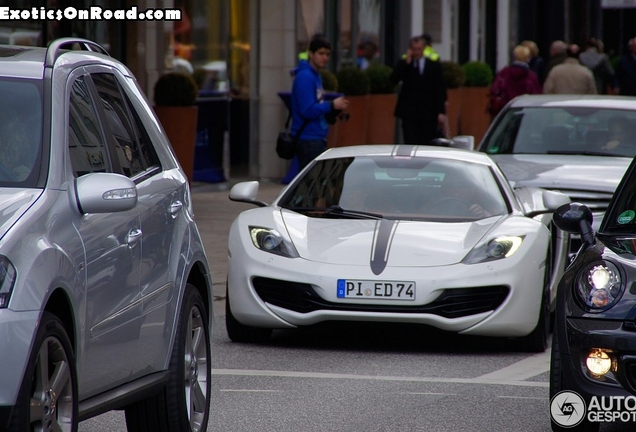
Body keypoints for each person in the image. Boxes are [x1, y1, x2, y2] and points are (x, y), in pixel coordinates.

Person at [291, 37, 349, 169]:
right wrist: (331, 105)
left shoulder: (316, 75)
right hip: (308, 139)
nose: (325, 58)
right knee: (313, 184)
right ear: (311, 54)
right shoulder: (305, 77)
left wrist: (333, 110)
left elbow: (316, 103)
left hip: (316, 136)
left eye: (327, 54)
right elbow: (307, 110)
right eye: (321, 53)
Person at [390, 35, 447, 145]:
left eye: (419, 49)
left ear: (424, 49)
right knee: (410, 141)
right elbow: (394, 79)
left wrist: (441, 112)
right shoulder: (405, 63)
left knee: (426, 142)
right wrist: (406, 62)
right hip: (409, 112)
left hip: (428, 112)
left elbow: (440, 88)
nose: (416, 52)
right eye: (414, 49)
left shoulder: (433, 65)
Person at [488, 45, 542, 119]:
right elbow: (536, 95)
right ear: (527, 59)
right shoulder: (531, 76)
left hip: (506, 111)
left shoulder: (504, 73)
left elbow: (494, 90)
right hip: (525, 113)